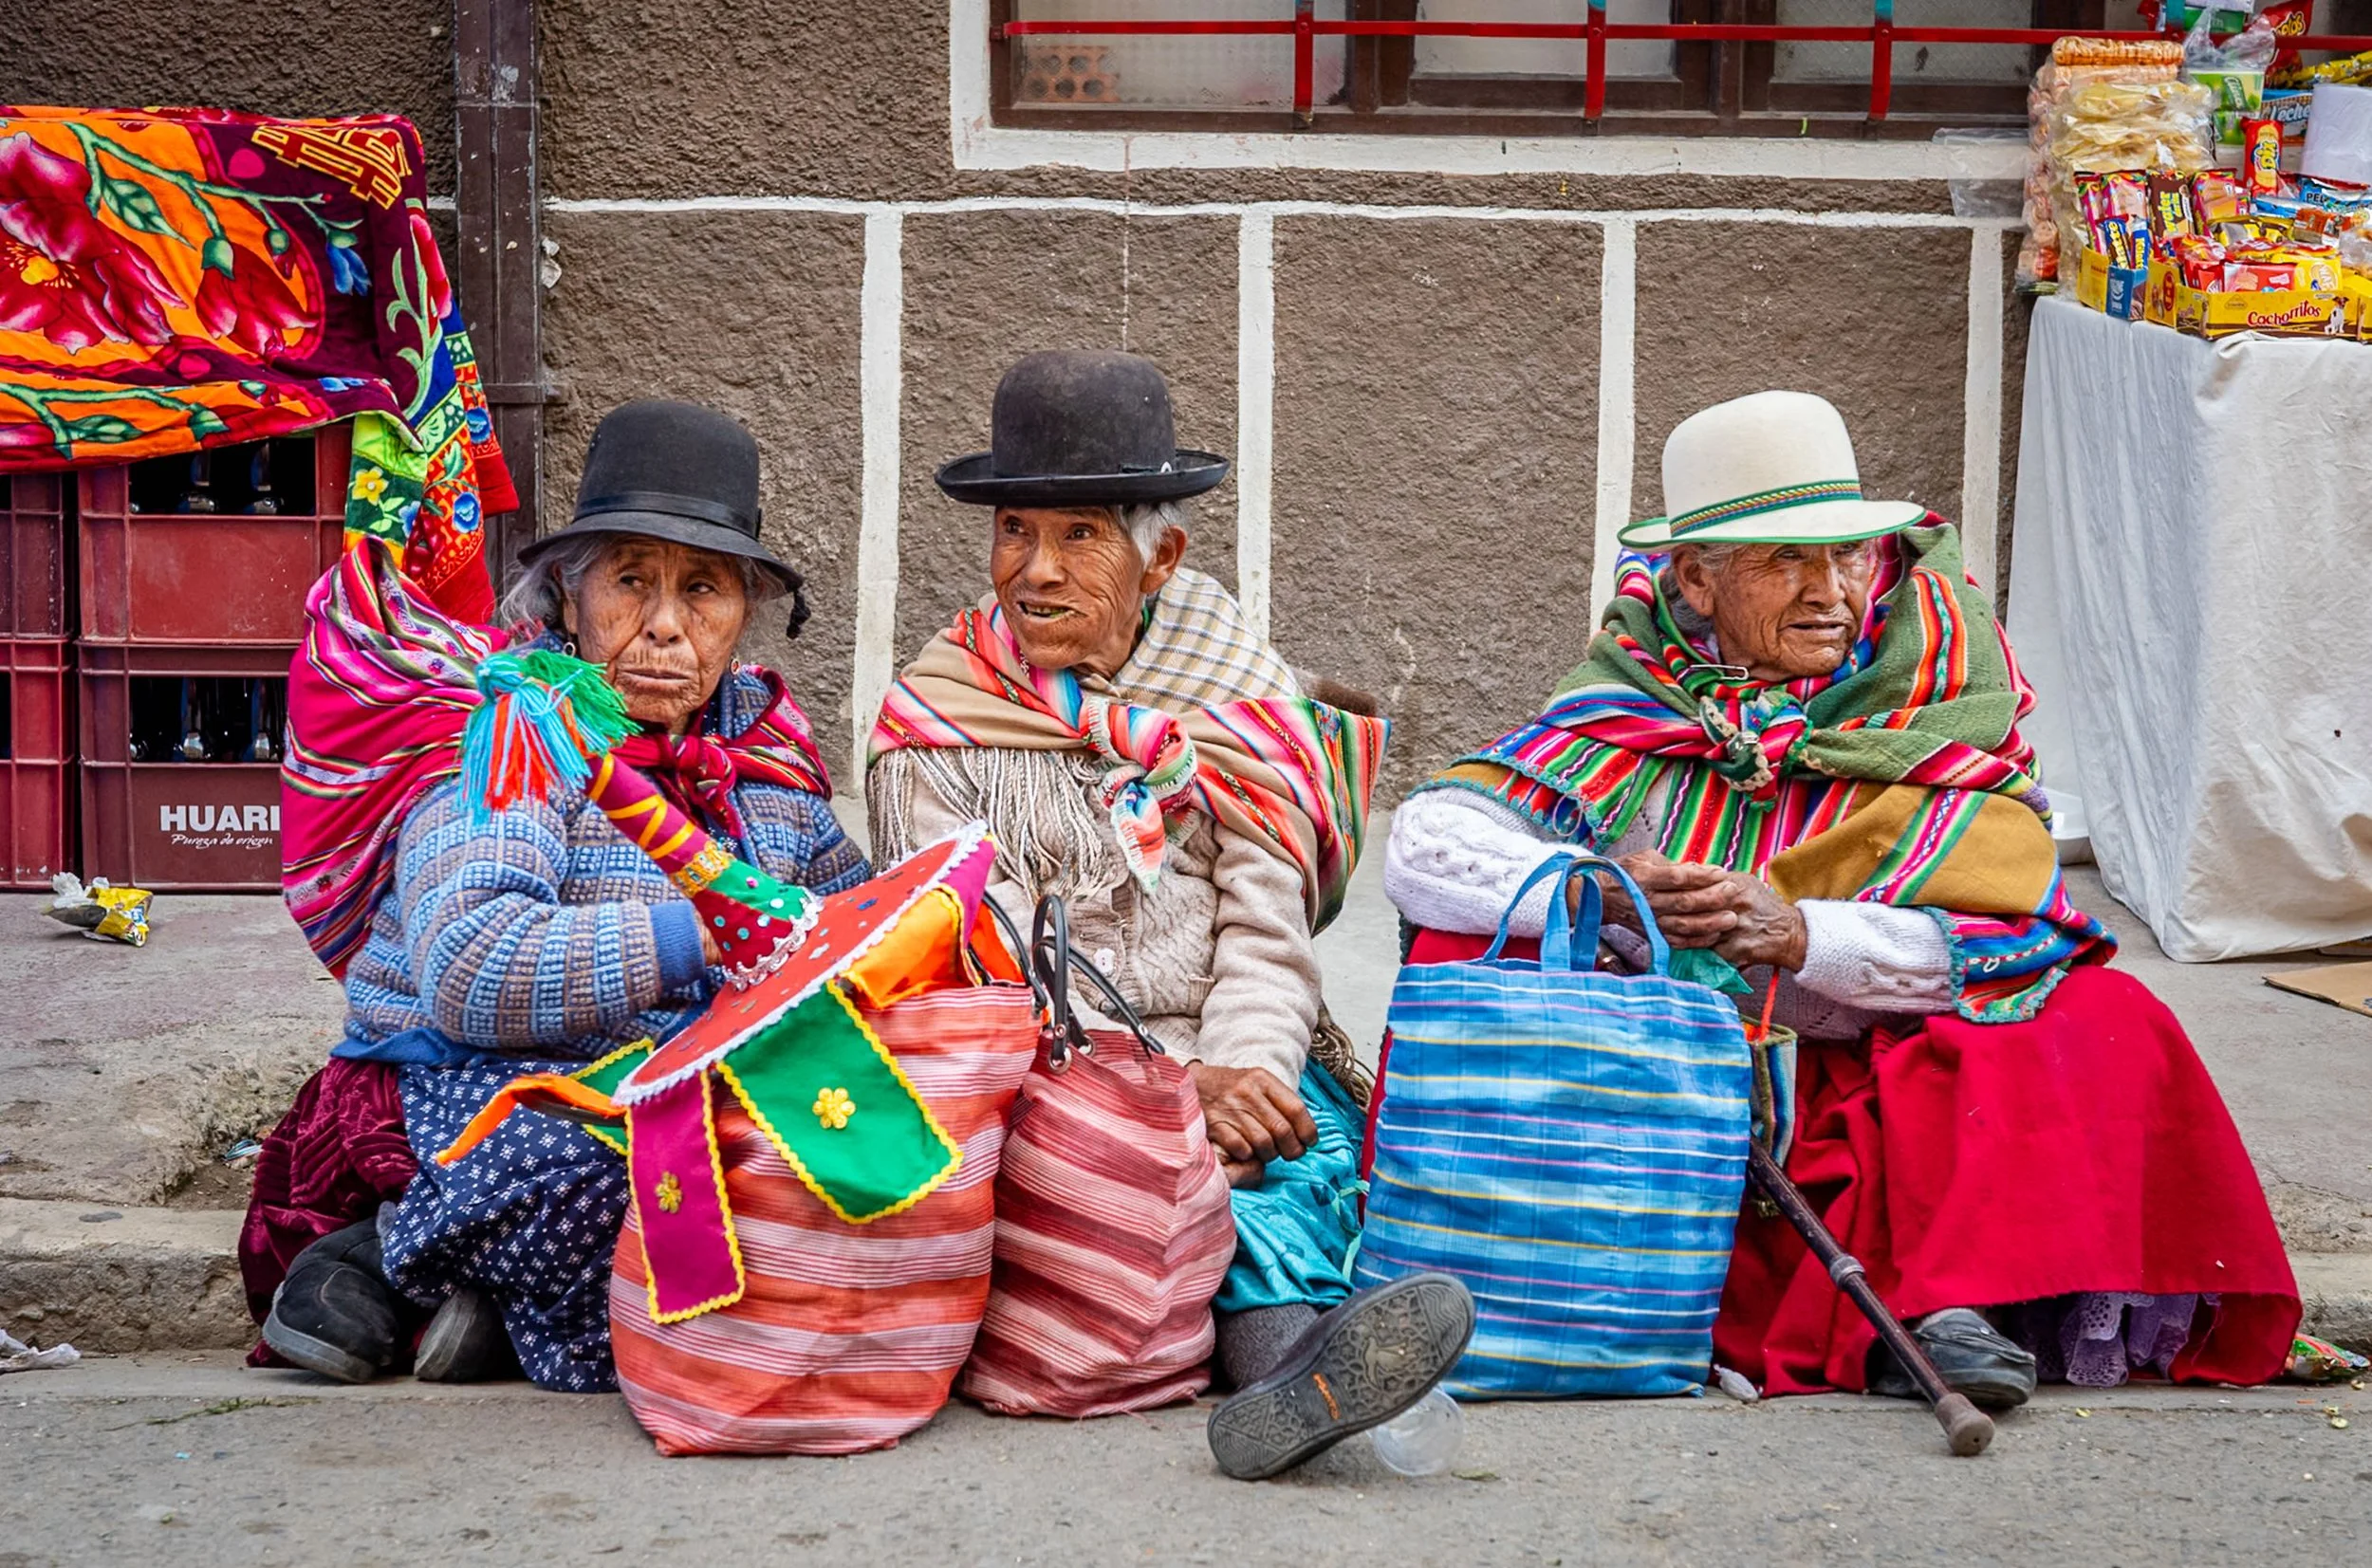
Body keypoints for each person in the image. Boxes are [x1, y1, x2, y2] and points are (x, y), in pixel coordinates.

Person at [1383, 390, 2298, 1405]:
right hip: (1662, 1078)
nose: (1830, 593)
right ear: (1695, 577)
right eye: (1785, 561)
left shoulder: (1929, 700)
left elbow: (2005, 926)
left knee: (2096, 1013)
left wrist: (1800, 934)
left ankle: (1953, 1304)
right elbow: (1427, 840)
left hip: (1864, 1050)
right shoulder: (1627, 703)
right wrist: (1594, 892)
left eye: (1849, 558)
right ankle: (1564, 1284)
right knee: (1461, 943)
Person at [869, 350, 1474, 1479]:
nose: (1034, 572)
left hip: (1225, 1055)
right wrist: (1172, 1095)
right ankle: (1294, 1362)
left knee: (1303, 1153)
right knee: (1156, 1171)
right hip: (1034, 1075)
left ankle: (1296, 1371)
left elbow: (1266, 935)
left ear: (1163, 559)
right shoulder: (934, 721)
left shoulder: (1237, 706)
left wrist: (1246, 1071)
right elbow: (972, 957)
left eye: (1081, 535)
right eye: (1013, 532)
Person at [253, 399, 868, 1390]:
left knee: (838, 1151)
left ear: (743, 613)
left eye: (702, 590)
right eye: (631, 583)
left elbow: (849, 921)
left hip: (679, 1085)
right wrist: (705, 932)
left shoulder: (767, 763)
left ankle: (493, 1303)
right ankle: (391, 1246)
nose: (665, 626)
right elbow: (470, 969)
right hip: (484, 1077)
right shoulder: (512, 736)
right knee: (629, 1173)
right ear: (569, 599)